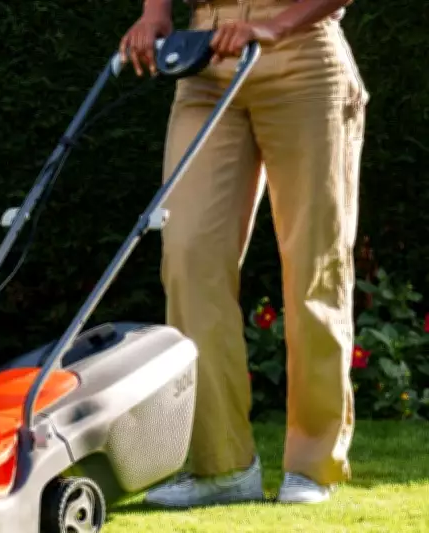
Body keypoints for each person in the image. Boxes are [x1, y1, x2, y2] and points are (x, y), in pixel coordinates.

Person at [119, 0, 367, 507]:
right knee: (188, 257)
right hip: (205, 58)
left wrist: (276, 24)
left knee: (314, 263)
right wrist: (154, 12)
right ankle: (223, 466)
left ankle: (312, 464)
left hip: (302, 53)